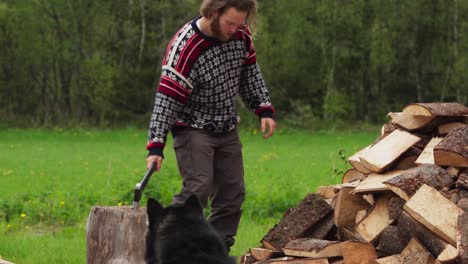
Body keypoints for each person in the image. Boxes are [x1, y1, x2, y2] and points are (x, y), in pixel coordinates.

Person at [145, 0, 276, 251]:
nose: (235, 29)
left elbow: (249, 73)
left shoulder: (241, 33)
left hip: (226, 125)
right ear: (213, 13)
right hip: (192, 126)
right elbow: (166, 99)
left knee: (233, 193)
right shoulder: (185, 46)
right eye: (230, 23)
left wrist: (263, 108)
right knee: (198, 187)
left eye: (240, 23)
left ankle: (214, 250)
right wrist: (155, 146)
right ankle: (173, 245)